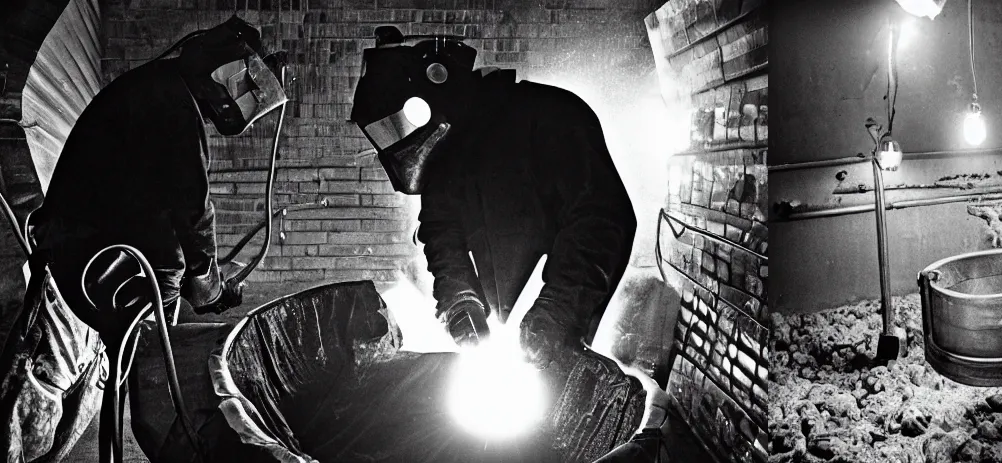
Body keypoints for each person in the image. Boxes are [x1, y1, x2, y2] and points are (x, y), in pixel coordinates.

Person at [350, 27, 636, 367]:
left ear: (426, 100)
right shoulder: (445, 159)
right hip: (508, 330)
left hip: (564, 321)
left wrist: (558, 310)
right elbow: (442, 234)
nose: (396, 143)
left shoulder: (552, 116)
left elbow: (602, 219)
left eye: (395, 126)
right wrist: (460, 301)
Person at [33, 16, 283, 331]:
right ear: (220, 74)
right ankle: (141, 358)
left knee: (171, 254)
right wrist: (210, 287)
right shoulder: (171, 103)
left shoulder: (161, 86)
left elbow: (171, 204)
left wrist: (209, 270)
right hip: (79, 249)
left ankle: (141, 351)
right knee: (168, 265)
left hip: (74, 233)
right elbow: (191, 208)